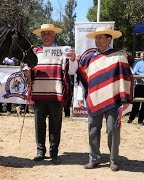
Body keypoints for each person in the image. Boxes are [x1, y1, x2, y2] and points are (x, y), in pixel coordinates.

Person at [76, 27, 133, 171]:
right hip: (94, 99)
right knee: (93, 130)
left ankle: (113, 160)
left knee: (113, 130)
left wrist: (125, 98)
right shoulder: (89, 57)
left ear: (109, 40)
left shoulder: (119, 56)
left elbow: (126, 76)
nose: (97, 40)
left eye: (100, 38)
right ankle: (93, 158)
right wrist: (81, 96)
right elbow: (83, 78)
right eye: (96, 38)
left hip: (114, 100)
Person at [24, 24, 77, 164]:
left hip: (56, 94)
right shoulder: (34, 52)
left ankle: (54, 153)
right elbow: (26, 69)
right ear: (41, 36)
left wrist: (72, 59)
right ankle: (40, 151)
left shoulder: (63, 51)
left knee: (55, 126)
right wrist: (25, 70)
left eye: (49, 33)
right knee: (39, 125)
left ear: (54, 35)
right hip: (38, 95)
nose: (46, 36)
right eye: (43, 34)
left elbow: (71, 71)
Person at [128, 51, 144, 125]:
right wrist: (141, 74)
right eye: (142, 55)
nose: (143, 56)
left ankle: (140, 120)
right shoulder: (138, 64)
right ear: (140, 56)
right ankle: (131, 119)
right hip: (139, 85)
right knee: (136, 103)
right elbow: (134, 72)